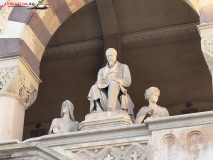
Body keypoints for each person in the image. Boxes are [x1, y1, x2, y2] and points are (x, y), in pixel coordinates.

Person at [88, 48, 135, 121]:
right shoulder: (102, 70)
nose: (110, 58)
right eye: (108, 56)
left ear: (116, 56)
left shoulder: (123, 67)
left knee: (113, 83)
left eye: (111, 56)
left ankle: (110, 107)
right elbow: (98, 82)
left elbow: (128, 81)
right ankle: (98, 108)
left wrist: (117, 80)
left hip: (118, 88)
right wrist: (101, 81)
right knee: (94, 87)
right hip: (104, 87)